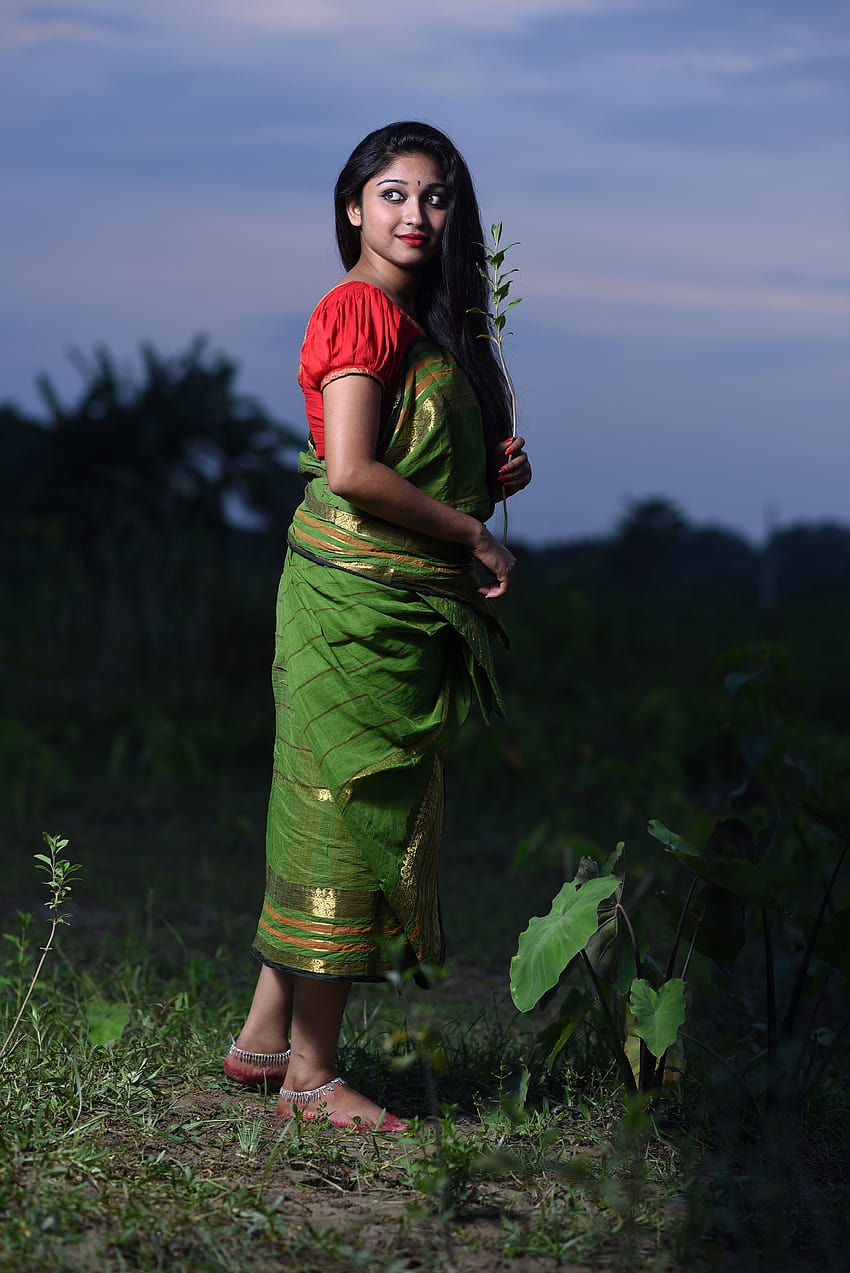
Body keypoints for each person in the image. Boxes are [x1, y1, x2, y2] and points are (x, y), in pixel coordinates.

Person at [223, 121, 532, 1131]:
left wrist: (491, 470)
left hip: (386, 607)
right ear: (352, 206)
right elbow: (354, 472)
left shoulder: (426, 326)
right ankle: (312, 1083)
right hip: (350, 604)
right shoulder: (357, 309)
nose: (415, 214)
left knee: (338, 798)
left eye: (434, 197)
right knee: (340, 809)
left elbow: (405, 453)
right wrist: (473, 536)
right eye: (392, 193)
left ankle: (267, 1042)